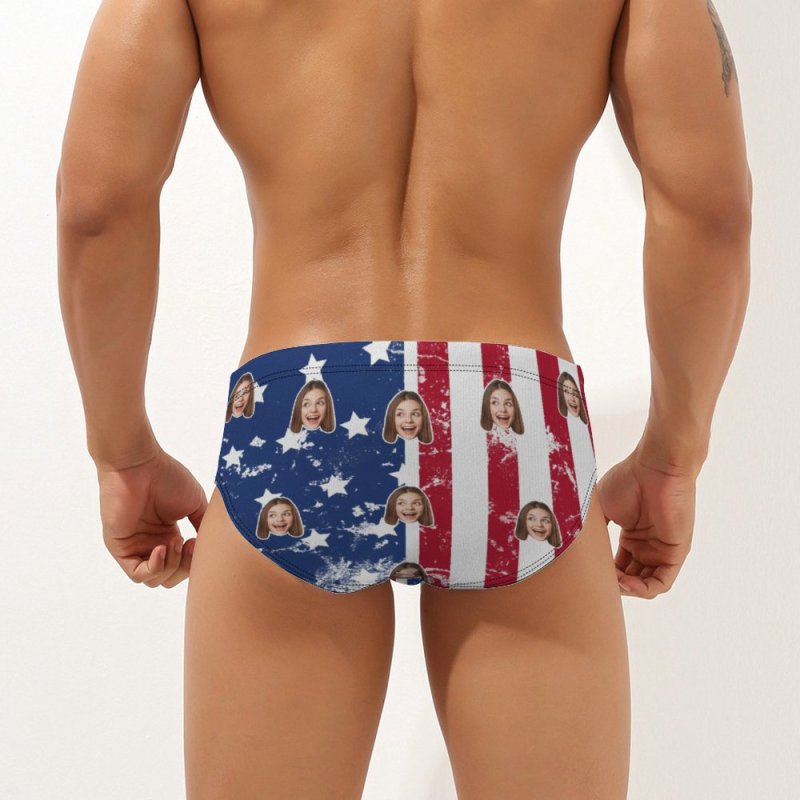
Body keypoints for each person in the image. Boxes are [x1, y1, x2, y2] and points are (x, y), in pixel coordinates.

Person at [55, 0, 752, 796]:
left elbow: (97, 205)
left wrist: (123, 453)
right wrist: (671, 456)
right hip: (512, 418)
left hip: (298, 412)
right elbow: (712, 210)